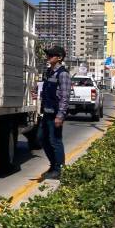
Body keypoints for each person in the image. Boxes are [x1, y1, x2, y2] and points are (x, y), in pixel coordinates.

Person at [38, 45, 71, 180]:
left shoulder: (63, 74)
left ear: (59, 58)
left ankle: (59, 169)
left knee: (55, 141)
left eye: (51, 55)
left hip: (56, 114)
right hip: (46, 112)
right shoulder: (48, 72)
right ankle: (53, 166)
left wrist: (60, 115)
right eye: (48, 55)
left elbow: (65, 96)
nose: (48, 57)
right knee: (42, 138)